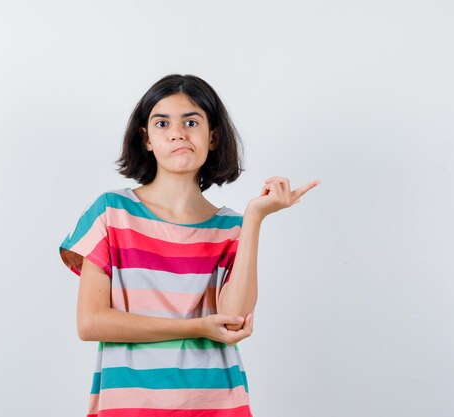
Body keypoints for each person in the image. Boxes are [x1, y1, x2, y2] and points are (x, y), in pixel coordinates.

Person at [58, 73, 320, 417]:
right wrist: (195, 327)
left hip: (216, 404)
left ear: (212, 137)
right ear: (146, 138)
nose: (178, 132)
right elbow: (91, 323)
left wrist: (255, 218)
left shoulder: (231, 227)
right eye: (162, 123)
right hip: (128, 407)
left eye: (191, 121)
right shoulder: (110, 212)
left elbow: (233, 319)